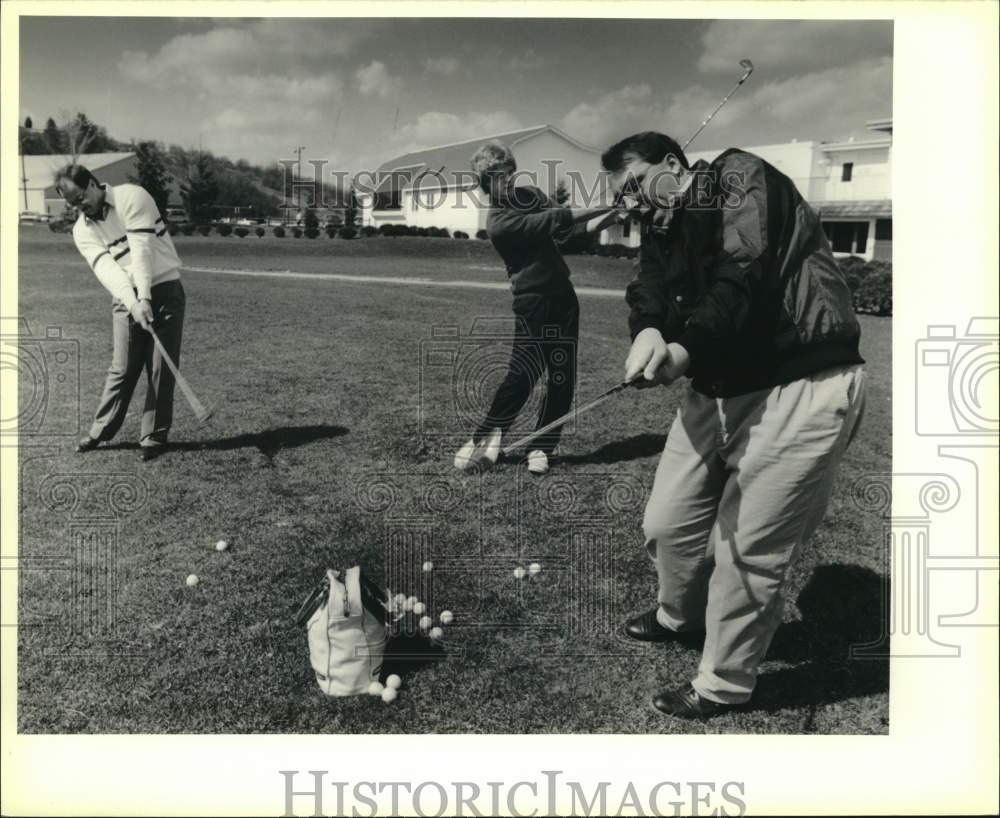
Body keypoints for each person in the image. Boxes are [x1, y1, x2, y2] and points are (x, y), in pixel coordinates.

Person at [602, 132, 866, 718]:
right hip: (718, 390)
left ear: (674, 165)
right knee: (667, 524)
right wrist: (647, 327)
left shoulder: (738, 175)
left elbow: (742, 276)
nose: (634, 204)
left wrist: (683, 349)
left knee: (745, 551)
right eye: (624, 198)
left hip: (801, 385)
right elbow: (649, 282)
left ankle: (723, 682)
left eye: (638, 186)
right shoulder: (662, 221)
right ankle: (680, 617)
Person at [454, 141, 623, 474]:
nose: (511, 180)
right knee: (523, 374)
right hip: (532, 301)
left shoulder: (530, 195)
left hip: (564, 296)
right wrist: (606, 202)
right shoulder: (499, 222)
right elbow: (556, 217)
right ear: (486, 183)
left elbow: (570, 230)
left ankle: (541, 447)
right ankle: (484, 436)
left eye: (511, 172)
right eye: (501, 176)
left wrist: (614, 215)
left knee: (562, 375)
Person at [56, 164, 187, 462]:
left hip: (164, 288)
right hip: (126, 297)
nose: (80, 208)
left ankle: (153, 436)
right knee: (122, 367)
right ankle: (101, 429)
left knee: (159, 368)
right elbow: (108, 270)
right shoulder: (81, 229)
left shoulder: (133, 197)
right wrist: (134, 302)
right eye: (73, 205)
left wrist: (146, 297)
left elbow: (141, 252)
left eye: (81, 199)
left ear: (92, 183)